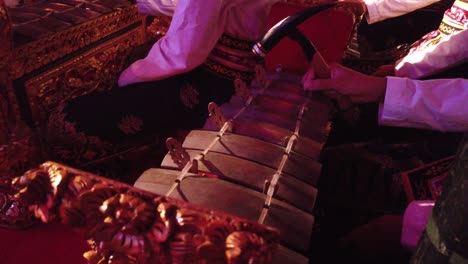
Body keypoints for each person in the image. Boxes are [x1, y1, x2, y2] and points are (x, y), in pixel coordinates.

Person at [46, 0, 284, 167]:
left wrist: (128, 78)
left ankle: (124, 164)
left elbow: (184, 52)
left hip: (209, 86)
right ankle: (141, 145)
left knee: (64, 121)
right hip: (237, 76)